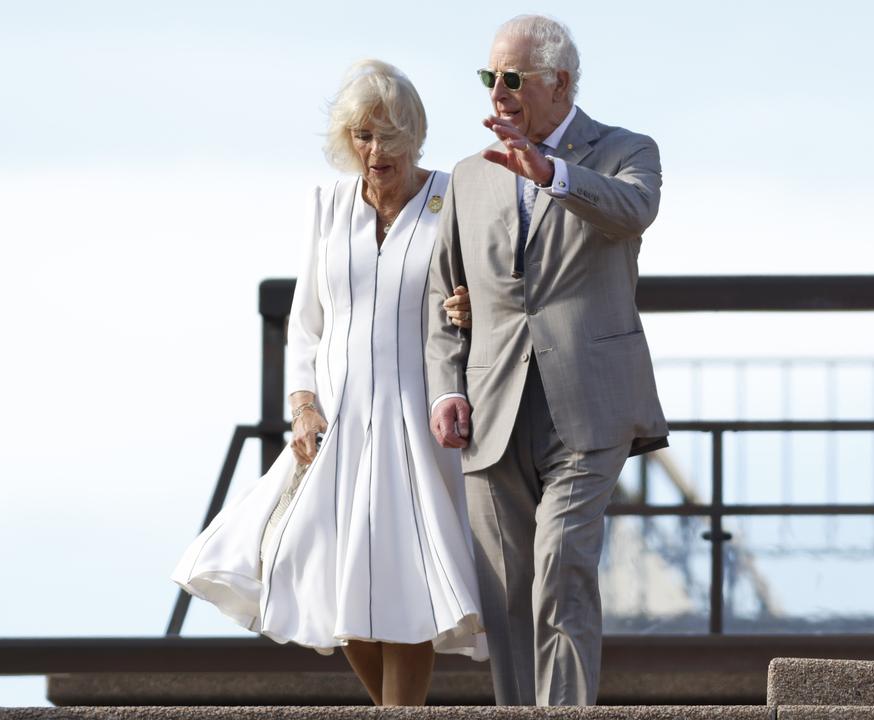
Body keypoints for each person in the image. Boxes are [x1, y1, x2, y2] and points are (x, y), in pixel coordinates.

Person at [171, 59, 486, 707]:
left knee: (409, 586)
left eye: (391, 136)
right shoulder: (328, 205)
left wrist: (473, 309)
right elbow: (307, 323)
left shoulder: (452, 199)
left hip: (419, 423)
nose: (377, 151)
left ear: (415, 137)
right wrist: (302, 402)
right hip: (336, 423)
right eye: (364, 136)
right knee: (326, 575)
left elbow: (483, 296)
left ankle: (403, 713)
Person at [425, 14, 668, 707]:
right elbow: (446, 291)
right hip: (493, 406)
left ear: (559, 83)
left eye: (512, 78)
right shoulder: (468, 178)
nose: (498, 91)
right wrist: (447, 387)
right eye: (489, 77)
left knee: (562, 566)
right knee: (505, 588)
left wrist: (555, 174)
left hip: (588, 404)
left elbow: (635, 210)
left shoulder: (624, 151)